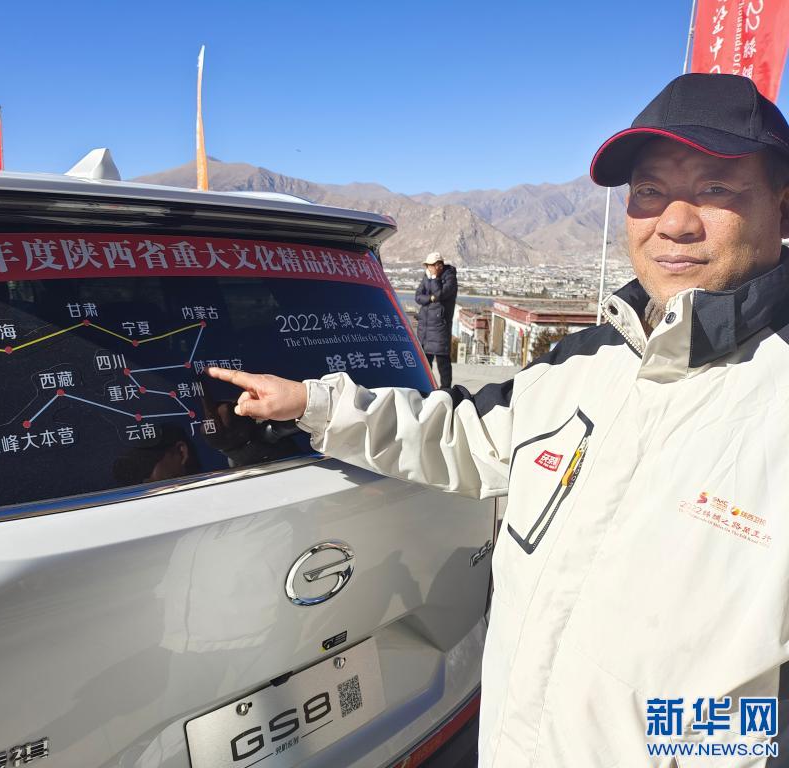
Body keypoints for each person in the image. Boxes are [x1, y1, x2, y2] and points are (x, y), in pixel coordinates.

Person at [208, 73, 789, 767]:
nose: (674, 222)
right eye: (649, 191)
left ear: (783, 207)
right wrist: (314, 404)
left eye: (716, 187)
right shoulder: (584, 361)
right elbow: (462, 437)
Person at [414, 251, 457, 388]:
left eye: (430, 265)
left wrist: (434, 279)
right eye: (427, 265)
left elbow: (439, 294)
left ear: (439, 265)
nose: (428, 268)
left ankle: (446, 390)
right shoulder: (427, 276)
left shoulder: (450, 278)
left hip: (440, 326)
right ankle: (426, 388)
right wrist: (430, 298)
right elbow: (418, 297)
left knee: (443, 362)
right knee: (425, 363)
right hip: (425, 327)